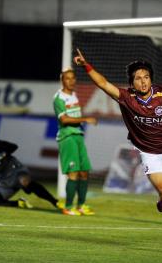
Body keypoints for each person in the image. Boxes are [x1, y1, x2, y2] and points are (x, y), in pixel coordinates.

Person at [73, 49, 162, 253]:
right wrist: (86, 65)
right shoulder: (126, 97)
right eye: (138, 78)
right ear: (132, 83)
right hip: (150, 154)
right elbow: (102, 83)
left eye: (146, 77)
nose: (143, 81)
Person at [0, 124, 63, 210]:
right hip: (3, 181)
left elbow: (13, 147)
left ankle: (55, 202)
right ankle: (18, 203)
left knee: (25, 182)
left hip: (15, 170)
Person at [53, 68, 97, 216]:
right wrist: (86, 119)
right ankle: (68, 206)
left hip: (78, 135)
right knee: (73, 173)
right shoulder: (58, 98)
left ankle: (81, 205)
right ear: (62, 80)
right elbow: (64, 120)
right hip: (67, 137)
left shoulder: (74, 96)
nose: (71, 81)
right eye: (68, 78)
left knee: (84, 172)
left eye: (73, 78)